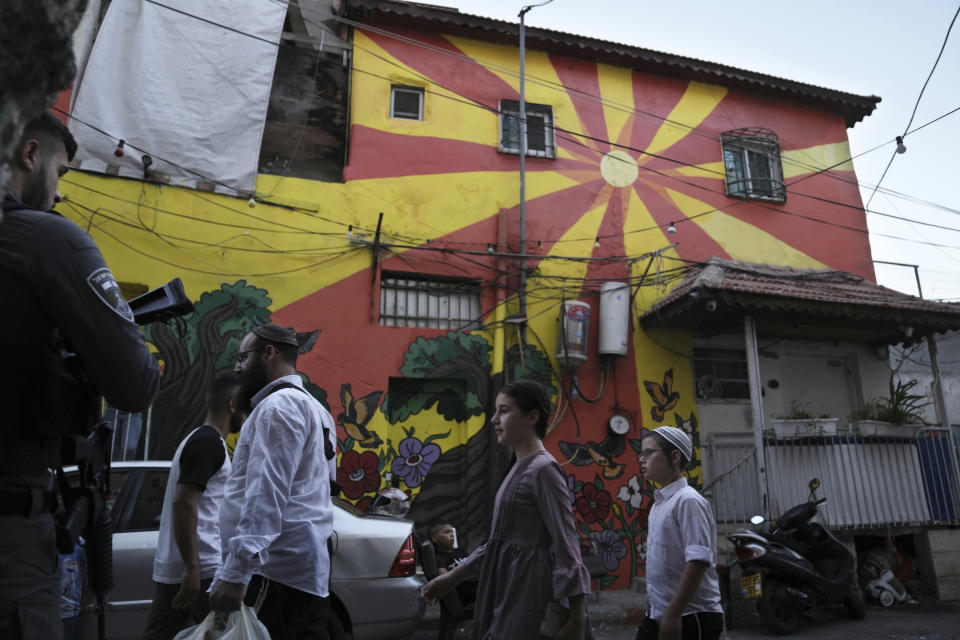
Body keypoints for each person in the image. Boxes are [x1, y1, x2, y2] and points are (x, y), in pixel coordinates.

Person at [0, 112, 160, 639]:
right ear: (30, 154)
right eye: (62, 172)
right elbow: (135, 384)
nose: (61, 193)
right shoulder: (47, 238)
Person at [421, 380, 590, 640]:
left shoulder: (544, 469)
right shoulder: (518, 467)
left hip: (529, 591)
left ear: (532, 416)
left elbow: (567, 544)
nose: (494, 419)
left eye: (504, 411)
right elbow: (497, 543)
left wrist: (578, 618)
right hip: (507, 587)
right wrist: (452, 578)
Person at [210, 324, 337, 639]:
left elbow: (266, 493)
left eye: (243, 357)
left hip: (272, 572)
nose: (238, 367)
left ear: (269, 353)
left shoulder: (277, 407)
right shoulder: (317, 410)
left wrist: (236, 572)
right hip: (303, 573)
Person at [144, 373, 244, 640]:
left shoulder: (198, 440)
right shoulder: (209, 444)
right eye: (244, 406)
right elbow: (184, 504)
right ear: (232, 405)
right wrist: (192, 567)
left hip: (190, 567)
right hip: (203, 569)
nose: (246, 415)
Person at [636, 426, 723, 640]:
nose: (641, 459)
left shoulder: (688, 500)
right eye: (641, 453)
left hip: (692, 616)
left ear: (674, 456)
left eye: (648, 453)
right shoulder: (660, 504)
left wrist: (674, 614)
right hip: (660, 614)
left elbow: (699, 560)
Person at [429, 522, 477, 604]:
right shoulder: (439, 557)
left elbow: (474, 566)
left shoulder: (460, 551)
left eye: (452, 532)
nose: (452, 535)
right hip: (468, 593)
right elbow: (443, 579)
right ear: (434, 538)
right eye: (447, 532)